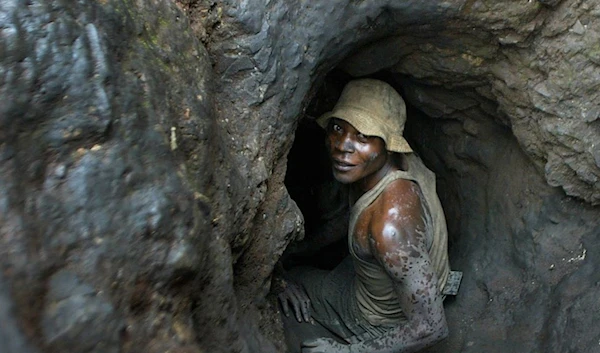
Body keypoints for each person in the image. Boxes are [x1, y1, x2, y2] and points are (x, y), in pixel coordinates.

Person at [278, 79, 451, 353]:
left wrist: (345, 352)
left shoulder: (390, 228)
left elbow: (432, 327)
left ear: (388, 145)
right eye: (337, 128)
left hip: (382, 320)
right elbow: (357, 222)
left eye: (363, 136)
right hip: (401, 278)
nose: (342, 146)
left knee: (293, 278)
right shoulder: (396, 166)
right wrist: (301, 248)